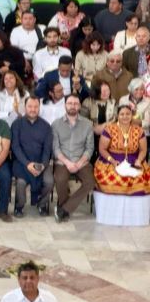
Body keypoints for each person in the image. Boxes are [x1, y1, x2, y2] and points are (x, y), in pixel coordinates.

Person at [52, 94, 95, 222]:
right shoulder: (56, 124)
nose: (73, 106)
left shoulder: (87, 124)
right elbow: (56, 148)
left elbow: (89, 148)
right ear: (65, 105)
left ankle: (64, 209)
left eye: (76, 104)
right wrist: (67, 163)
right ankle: (65, 208)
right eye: (70, 103)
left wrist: (79, 163)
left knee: (90, 182)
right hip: (62, 161)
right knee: (60, 179)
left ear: (80, 106)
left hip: (82, 161)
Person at [11, 96, 54, 217]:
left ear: (39, 107)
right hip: (21, 162)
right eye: (30, 106)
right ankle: (19, 206)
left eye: (36, 107)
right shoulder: (17, 124)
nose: (33, 109)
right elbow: (15, 147)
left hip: (41, 162)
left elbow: (47, 150)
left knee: (49, 181)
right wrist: (27, 164)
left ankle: (42, 204)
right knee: (20, 182)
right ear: (25, 107)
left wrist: (42, 165)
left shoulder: (46, 126)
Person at [93, 104, 150, 194]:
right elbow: (102, 149)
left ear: (132, 116)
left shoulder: (139, 130)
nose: (125, 116)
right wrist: (113, 161)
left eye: (128, 114)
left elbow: (143, 150)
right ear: (117, 116)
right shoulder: (109, 129)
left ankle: (134, 207)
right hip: (111, 161)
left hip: (134, 161)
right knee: (114, 179)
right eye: (122, 114)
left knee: (139, 180)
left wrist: (139, 161)